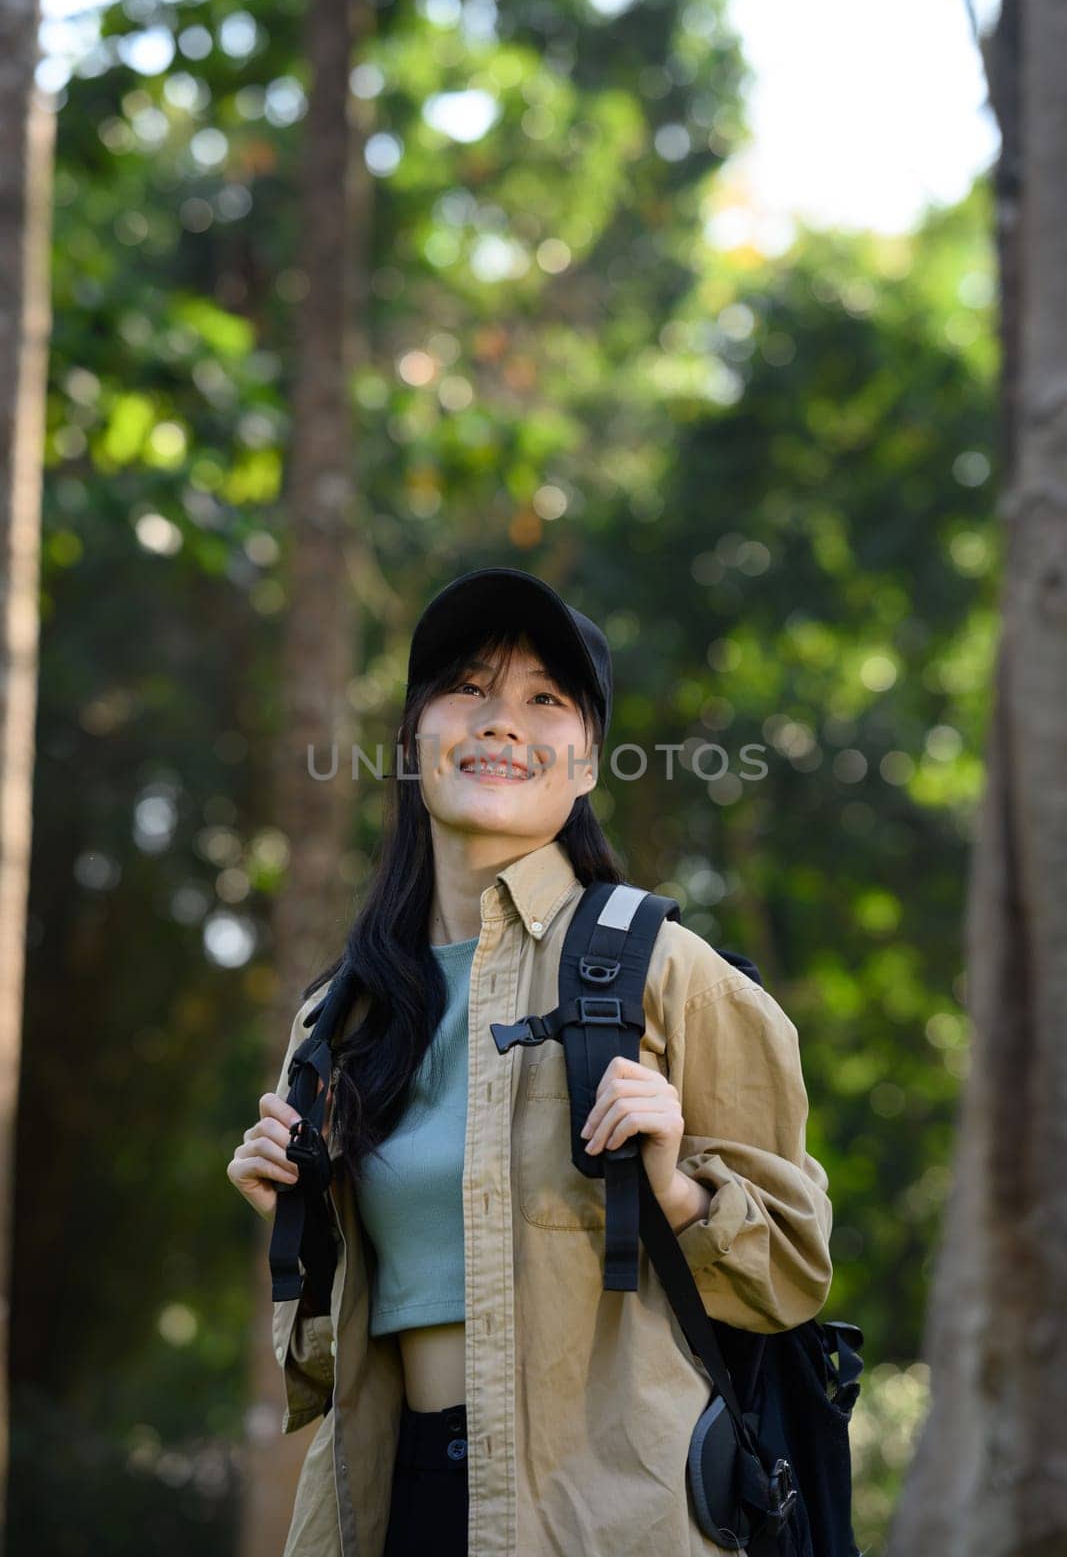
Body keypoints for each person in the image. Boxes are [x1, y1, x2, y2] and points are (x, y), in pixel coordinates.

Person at [228, 565, 834, 1557]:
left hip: (610, 1518)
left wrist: (675, 1191)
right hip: (389, 1504)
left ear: (588, 762)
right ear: (412, 737)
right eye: (466, 687)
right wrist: (297, 1218)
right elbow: (337, 1360)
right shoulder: (336, 1019)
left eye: (544, 699)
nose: (501, 720)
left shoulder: (667, 971)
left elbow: (793, 1272)